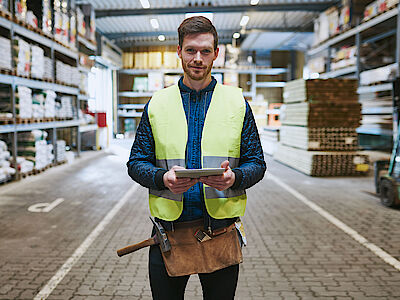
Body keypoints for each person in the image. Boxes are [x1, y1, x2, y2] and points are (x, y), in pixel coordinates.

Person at [127, 16, 266, 300]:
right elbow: (136, 162)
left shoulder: (237, 103)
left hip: (220, 233)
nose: (198, 59)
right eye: (190, 50)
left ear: (217, 53)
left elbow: (257, 163)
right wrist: (161, 178)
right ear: (178, 51)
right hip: (169, 234)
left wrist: (234, 178)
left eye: (205, 51)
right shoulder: (158, 103)